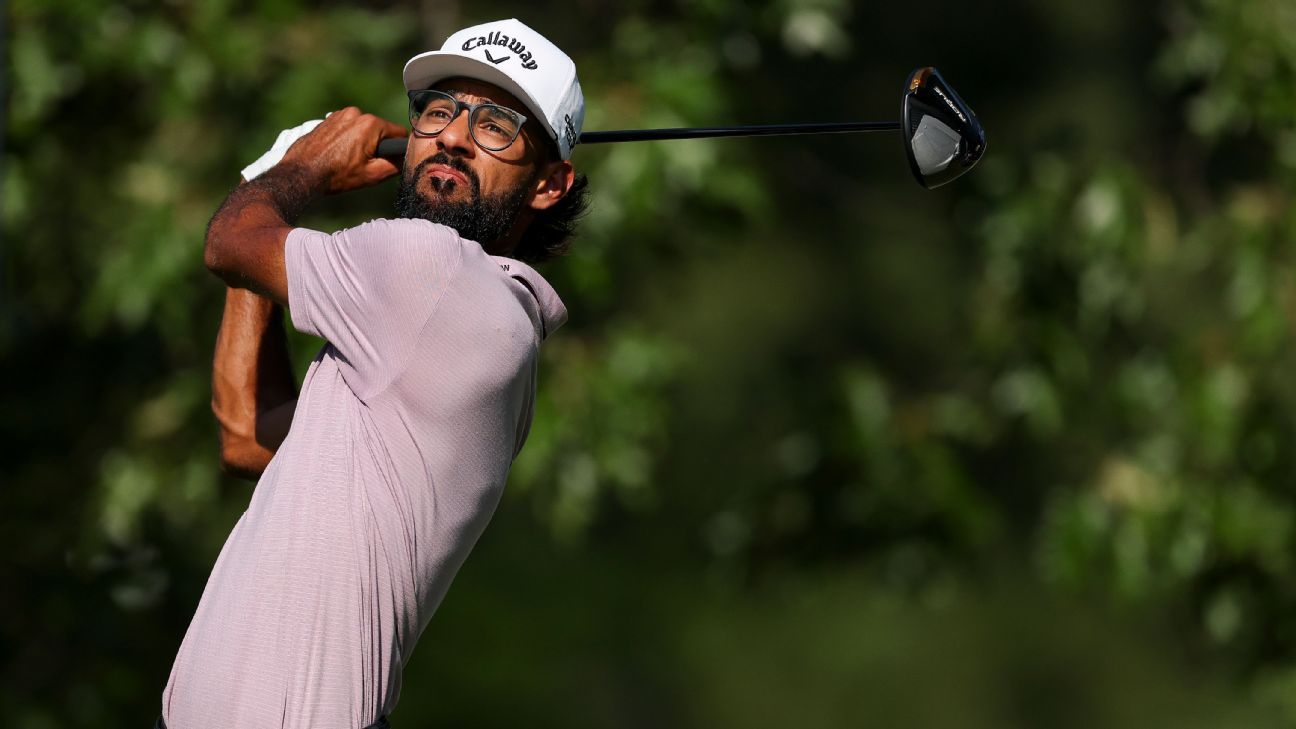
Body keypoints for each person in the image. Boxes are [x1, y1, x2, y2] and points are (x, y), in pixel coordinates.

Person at [159, 18, 588, 729]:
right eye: (439, 111)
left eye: (496, 126)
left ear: (549, 185)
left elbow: (230, 242)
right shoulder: (452, 326)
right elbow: (246, 434)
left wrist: (294, 174)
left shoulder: (433, 271)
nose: (453, 137)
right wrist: (272, 188)